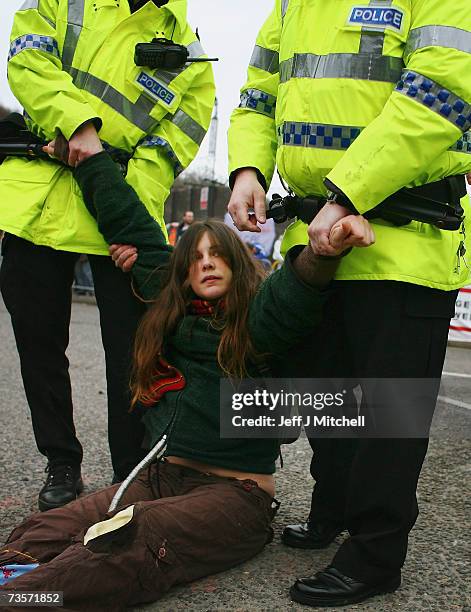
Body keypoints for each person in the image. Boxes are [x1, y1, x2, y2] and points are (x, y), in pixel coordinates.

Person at [0, 151, 374, 610]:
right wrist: (91, 157)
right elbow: (128, 217)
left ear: (237, 265)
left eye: (218, 256)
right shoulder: (171, 312)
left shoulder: (256, 322)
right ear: (183, 273)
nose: (208, 264)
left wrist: (321, 251)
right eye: (196, 259)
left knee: (130, 536)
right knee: (49, 528)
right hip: (159, 478)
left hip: (235, 496)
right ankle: (11, 579)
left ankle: (23, 599)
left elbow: (293, 293)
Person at [227, 0, 471, 607]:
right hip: (315, 238)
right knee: (326, 396)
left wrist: (347, 190)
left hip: (402, 242)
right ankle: (332, 510)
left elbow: (440, 94)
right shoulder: (291, 6)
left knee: (388, 415)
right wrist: (248, 168)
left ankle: (374, 555)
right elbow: (257, 96)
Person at [0, 0, 215, 509]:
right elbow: (27, 61)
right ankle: (61, 462)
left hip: (114, 213)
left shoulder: (190, 51)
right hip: (36, 203)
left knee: (133, 354)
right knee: (39, 347)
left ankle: (130, 472)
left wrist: (123, 212)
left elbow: (172, 143)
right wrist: (78, 125)